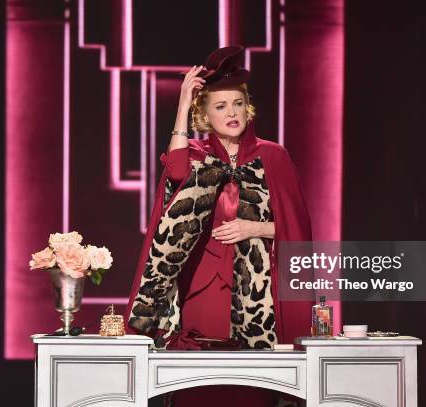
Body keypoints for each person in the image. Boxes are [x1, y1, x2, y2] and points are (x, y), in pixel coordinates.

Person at [124, 46, 312, 406]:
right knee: (200, 387)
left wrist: (252, 228)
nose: (232, 113)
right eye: (221, 106)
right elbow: (176, 171)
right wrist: (182, 102)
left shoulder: (273, 155)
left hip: (257, 298)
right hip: (200, 289)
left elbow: (299, 232)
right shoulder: (195, 154)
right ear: (205, 115)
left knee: (249, 389)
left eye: (238, 103)